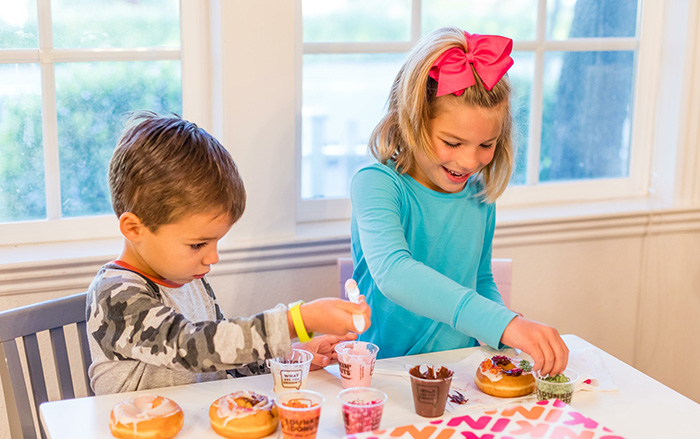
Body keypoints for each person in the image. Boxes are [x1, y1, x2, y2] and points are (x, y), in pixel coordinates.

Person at [87, 111, 371, 395]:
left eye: (215, 243)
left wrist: (290, 356)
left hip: (195, 425)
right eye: (198, 244)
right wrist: (300, 320)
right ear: (134, 229)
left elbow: (224, 359)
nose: (213, 258)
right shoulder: (115, 296)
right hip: (132, 436)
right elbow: (193, 347)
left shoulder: (189, 278)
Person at [350, 27, 567, 375]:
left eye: (486, 145)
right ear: (411, 122)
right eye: (452, 143)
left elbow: (480, 279)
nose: (469, 161)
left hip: (461, 373)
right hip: (385, 373)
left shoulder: (479, 194)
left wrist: (505, 337)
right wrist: (504, 323)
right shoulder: (376, 184)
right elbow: (394, 273)